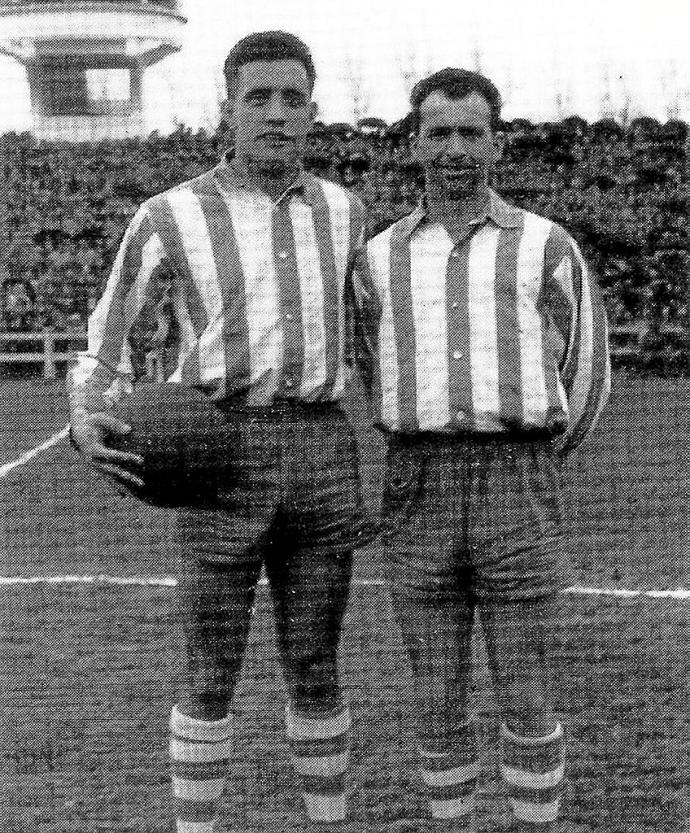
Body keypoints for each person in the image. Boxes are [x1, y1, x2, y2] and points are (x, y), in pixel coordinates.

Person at [68, 31, 374, 833]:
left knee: (315, 662)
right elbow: (110, 342)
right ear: (227, 108)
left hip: (320, 446)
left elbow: (371, 336)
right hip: (215, 447)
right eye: (258, 97)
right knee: (210, 670)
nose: (276, 113)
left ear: (313, 111)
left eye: (293, 98)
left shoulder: (346, 210)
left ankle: (327, 821)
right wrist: (83, 419)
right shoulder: (167, 215)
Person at [358, 68, 611, 831]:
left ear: (497, 143)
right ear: (415, 144)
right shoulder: (376, 259)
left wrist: (532, 458)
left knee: (524, 687)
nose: (456, 148)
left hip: (516, 481)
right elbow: (373, 366)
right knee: (435, 691)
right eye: (440, 132)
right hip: (419, 482)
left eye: (472, 132)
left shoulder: (546, 245)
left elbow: (589, 372)